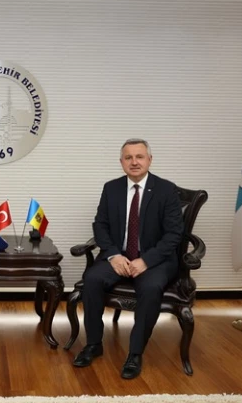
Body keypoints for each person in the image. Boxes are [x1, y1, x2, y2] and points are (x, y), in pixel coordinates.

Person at [73, 139, 183, 379]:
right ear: (121, 162)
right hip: (119, 256)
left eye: (139, 156)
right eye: (128, 157)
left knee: (151, 287)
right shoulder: (111, 188)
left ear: (149, 160)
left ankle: (135, 353)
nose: (134, 162)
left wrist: (146, 261)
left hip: (154, 260)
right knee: (92, 279)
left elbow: (174, 235)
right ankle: (93, 344)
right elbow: (100, 225)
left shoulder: (166, 190)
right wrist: (113, 255)